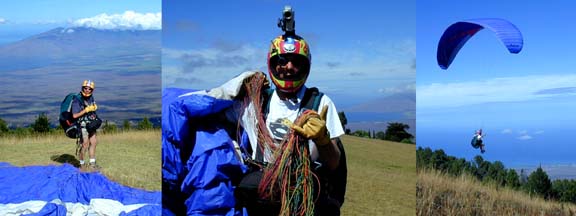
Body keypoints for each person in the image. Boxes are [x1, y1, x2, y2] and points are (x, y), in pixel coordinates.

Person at [72, 80, 100, 169]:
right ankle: (82, 164)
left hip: (91, 123)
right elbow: (74, 115)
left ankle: (92, 164)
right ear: (82, 88)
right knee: (85, 144)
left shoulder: (91, 97)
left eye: (90, 89)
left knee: (94, 142)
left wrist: (94, 107)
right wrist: (86, 110)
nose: (87, 90)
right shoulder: (77, 100)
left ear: (92, 90)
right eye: (85, 88)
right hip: (82, 125)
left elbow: (92, 106)